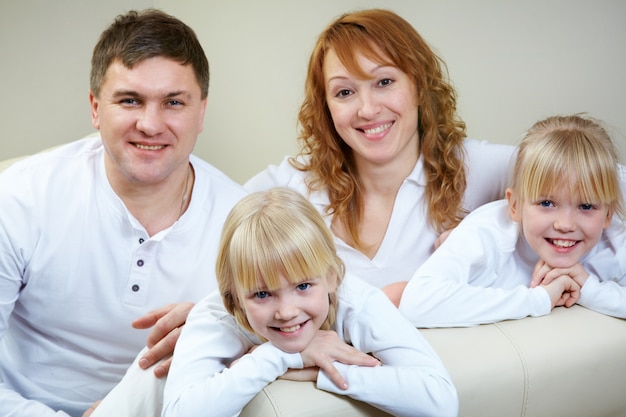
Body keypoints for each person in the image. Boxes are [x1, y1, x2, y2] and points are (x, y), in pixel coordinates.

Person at [0, 9, 247, 417]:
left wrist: (224, 322)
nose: (150, 124)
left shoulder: (242, 223)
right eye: (130, 100)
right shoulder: (21, 196)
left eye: (173, 102)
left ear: (200, 112)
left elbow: (290, 329)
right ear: (96, 108)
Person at [244, 8, 517, 291]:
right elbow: (207, 221)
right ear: (326, 107)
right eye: (344, 92)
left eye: (384, 82)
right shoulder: (294, 184)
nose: (368, 109)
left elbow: (565, 172)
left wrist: (501, 236)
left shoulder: (475, 167)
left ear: (419, 85)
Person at [160, 187, 458, 417]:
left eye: (303, 286)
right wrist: (282, 357)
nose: (287, 312)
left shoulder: (355, 300)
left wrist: (320, 370)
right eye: (262, 294)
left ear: (331, 277)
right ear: (233, 299)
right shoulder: (215, 316)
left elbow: (440, 400)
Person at [388, 114, 626, 326]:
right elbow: (417, 303)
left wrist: (588, 288)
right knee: (394, 295)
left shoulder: (614, 243)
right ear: (515, 206)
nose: (565, 225)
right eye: (546, 203)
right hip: (455, 288)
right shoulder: (488, 232)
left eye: (586, 206)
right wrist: (541, 298)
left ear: (607, 214)